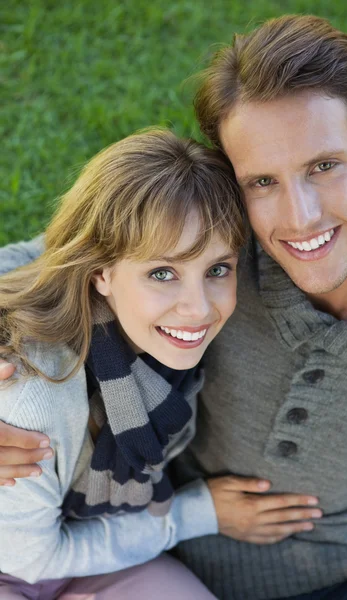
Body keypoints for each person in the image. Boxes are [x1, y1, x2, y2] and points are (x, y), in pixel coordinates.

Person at [1, 13, 347, 600]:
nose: (300, 217)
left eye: (324, 166)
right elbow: (54, 259)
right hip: (159, 541)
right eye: (261, 181)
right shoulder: (215, 243)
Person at [0, 128, 322, 600]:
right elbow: (30, 559)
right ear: (100, 274)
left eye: (217, 269)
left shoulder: (158, 353)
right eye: (163, 273)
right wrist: (197, 513)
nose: (199, 308)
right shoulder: (32, 394)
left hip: (88, 548)